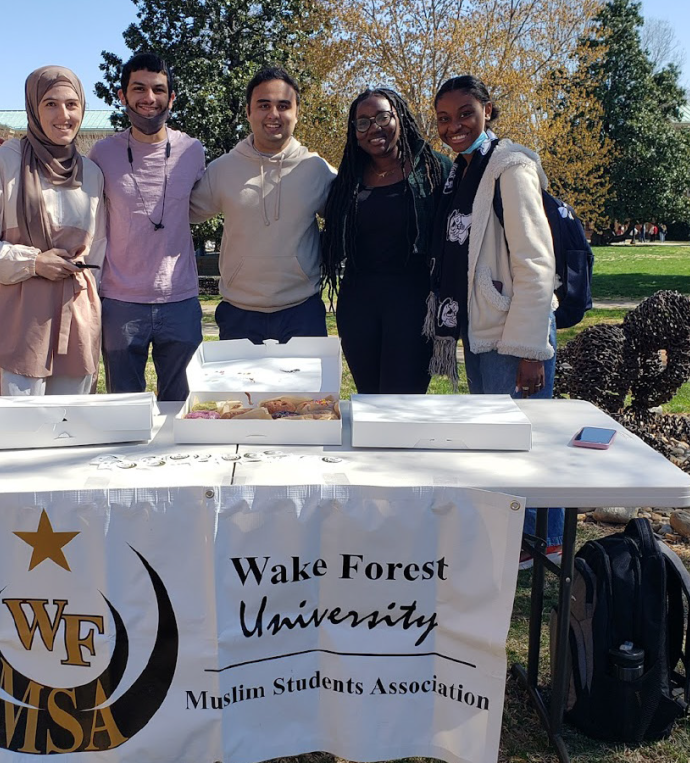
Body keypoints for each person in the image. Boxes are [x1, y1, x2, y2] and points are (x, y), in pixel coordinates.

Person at [427, 75, 563, 564]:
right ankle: (514, 536)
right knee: (499, 438)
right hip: (484, 324)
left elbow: (535, 260)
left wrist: (529, 349)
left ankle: (542, 539)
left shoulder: (510, 167)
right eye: (444, 118)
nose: (454, 125)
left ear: (488, 110)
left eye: (465, 113)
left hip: (515, 329)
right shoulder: (461, 171)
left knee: (527, 439)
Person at [0, 65, 105, 398]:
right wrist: (33, 263)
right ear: (33, 108)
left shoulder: (92, 174)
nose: (63, 115)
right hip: (19, 316)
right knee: (18, 424)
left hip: (76, 315)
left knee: (72, 424)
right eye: (50, 104)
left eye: (72, 104)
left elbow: (98, 251)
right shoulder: (3, 162)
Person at [88, 53, 205, 402]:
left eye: (158, 89)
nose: (148, 98)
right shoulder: (102, 154)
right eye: (138, 88)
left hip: (180, 299)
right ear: (122, 96)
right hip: (121, 302)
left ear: (172, 98)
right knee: (123, 411)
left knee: (184, 407)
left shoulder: (193, 151)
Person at [190, 67, 336, 343]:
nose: (273, 114)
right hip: (238, 313)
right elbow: (180, 212)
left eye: (283, 106)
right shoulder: (223, 169)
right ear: (248, 112)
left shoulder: (316, 169)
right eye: (264, 105)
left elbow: (355, 215)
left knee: (301, 389)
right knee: (240, 389)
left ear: (297, 113)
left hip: (302, 311)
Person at [321, 88, 450, 394]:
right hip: (358, 305)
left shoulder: (434, 169)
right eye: (362, 122)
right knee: (368, 399)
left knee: (402, 401)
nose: (374, 127)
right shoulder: (348, 179)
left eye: (382, 117)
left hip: (413, 304)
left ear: (399, 118)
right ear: (354, 132)